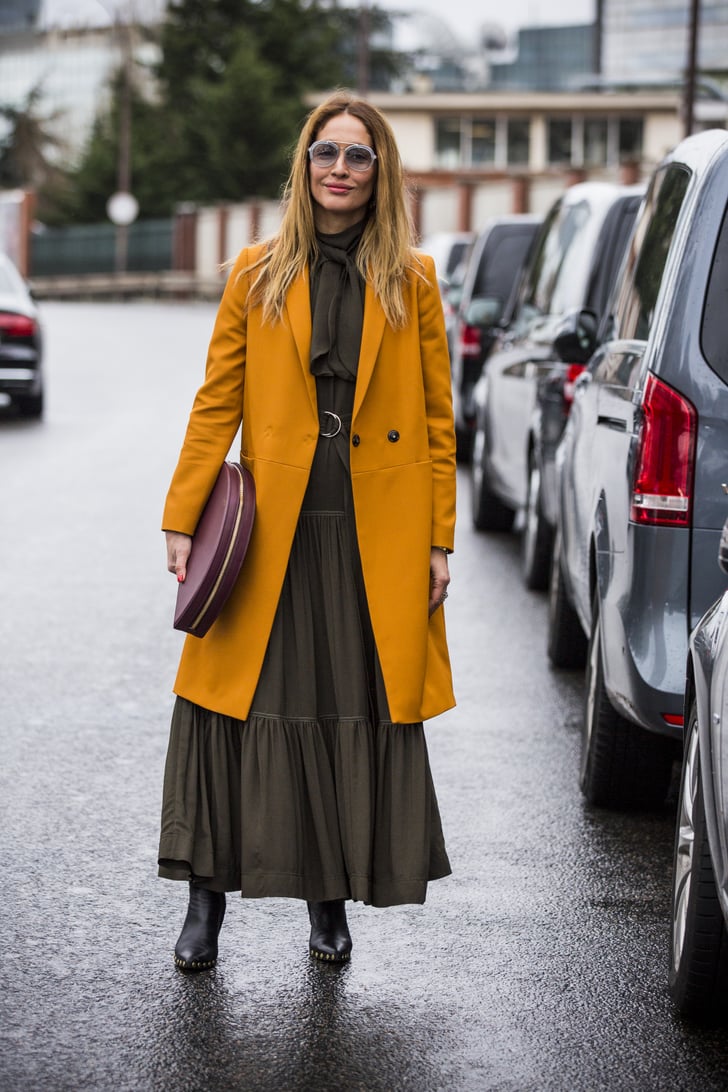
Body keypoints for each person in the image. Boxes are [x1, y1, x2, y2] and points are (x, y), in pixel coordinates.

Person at [159, 90, 456, 971]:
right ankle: (204, 906)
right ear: (304, 165)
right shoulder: (256, 271)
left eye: (357, 155)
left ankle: (328, 907)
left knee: (338, 712)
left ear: (380, 170)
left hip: (370, 533)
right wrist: (184, 516)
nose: (339, 168)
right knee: (230, 709)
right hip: (267, 532)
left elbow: (439, 427)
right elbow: (216, 403)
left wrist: (439, 541)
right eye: (325, 152)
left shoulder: (415, 280)